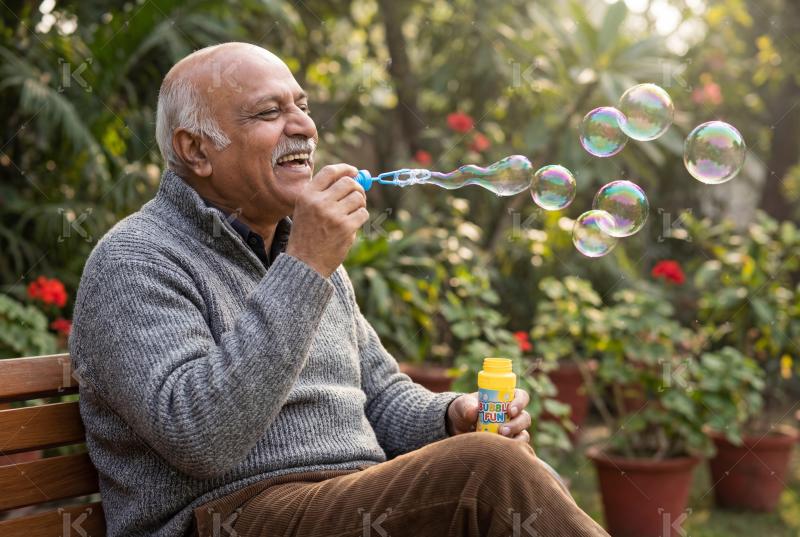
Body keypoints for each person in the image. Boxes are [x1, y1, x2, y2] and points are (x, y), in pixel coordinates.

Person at [70, 42, 609, 537]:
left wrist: (451, 416)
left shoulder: (302, 252)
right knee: (489, 472)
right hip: (224, 518)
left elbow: (379, 397)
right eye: (269, 112)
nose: (303, 126)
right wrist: (305, 265)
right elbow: (202, 439)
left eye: (301, 106)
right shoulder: (136, 260)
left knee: (511, 469)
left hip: (346, 501)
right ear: (197, 150)